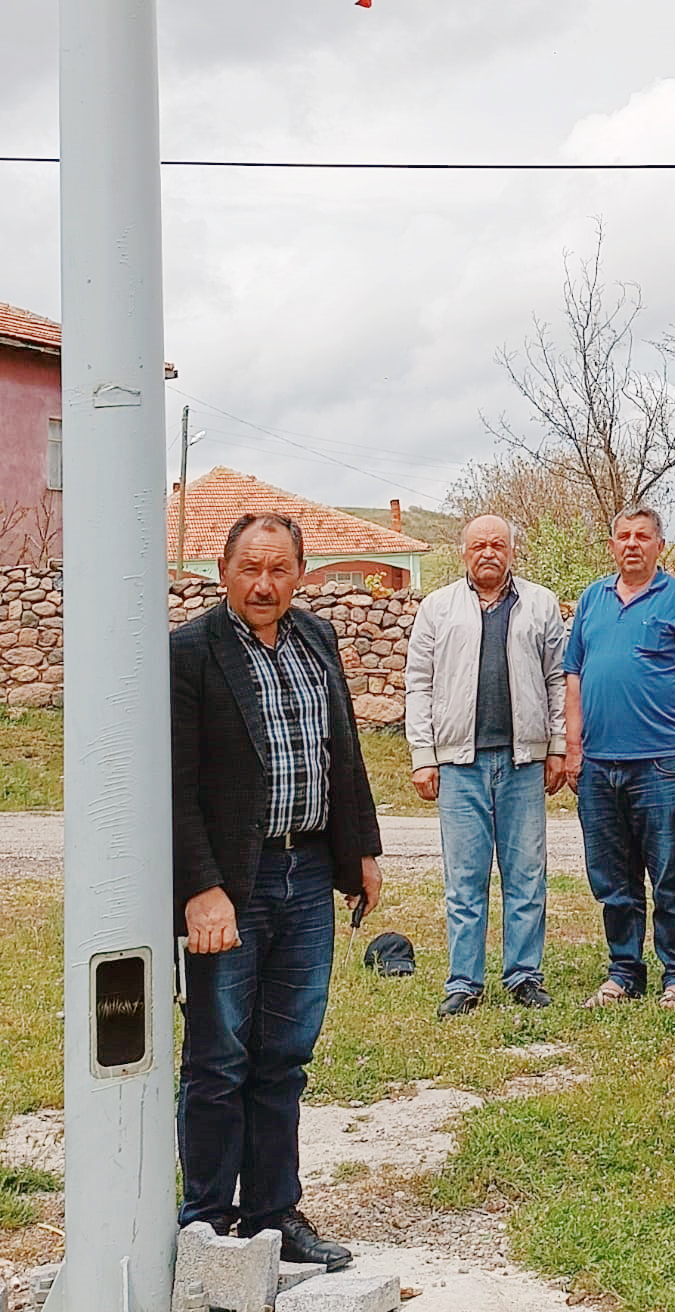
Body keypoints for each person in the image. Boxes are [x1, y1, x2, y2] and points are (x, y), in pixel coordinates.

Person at [171, 511, 384, 1272]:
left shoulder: (317, 638)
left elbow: (345, 751)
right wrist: (201, 889)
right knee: (219, 1055)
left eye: (280, 570)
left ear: (300, 573)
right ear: (222, 571)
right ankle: (204, 1222)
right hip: (234, 883)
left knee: (285, 1055)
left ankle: (272, 1216)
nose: (264, 585)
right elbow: (176, 785)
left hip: (305, 875)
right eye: (249, 569)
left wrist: (360, 849)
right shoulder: (191, 653)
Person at [405, 514, 568, 1016]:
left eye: (498, 544)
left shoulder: (539, 605)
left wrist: (557, 746)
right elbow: (419, 684)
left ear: (512, 551)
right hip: (459, 763)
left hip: (523, 762)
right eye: (479, 545)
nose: (489, 553)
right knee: (465, 880)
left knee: (526, 876)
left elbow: (558, 680)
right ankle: (463, 982)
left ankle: (523, 975)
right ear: (463, 552)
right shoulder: (437, 608)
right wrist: (422, 756)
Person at [564, 504, 675, 1008]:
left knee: (669, 874)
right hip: (598, 767)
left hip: (662, 763)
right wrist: (573, 746)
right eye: (624, 536)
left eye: (643, 536)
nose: (632, 544)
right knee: (612, 879)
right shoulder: (592, 600)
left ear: (659, 545)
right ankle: (624, 971)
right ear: (612, 546)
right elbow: (574, 677)